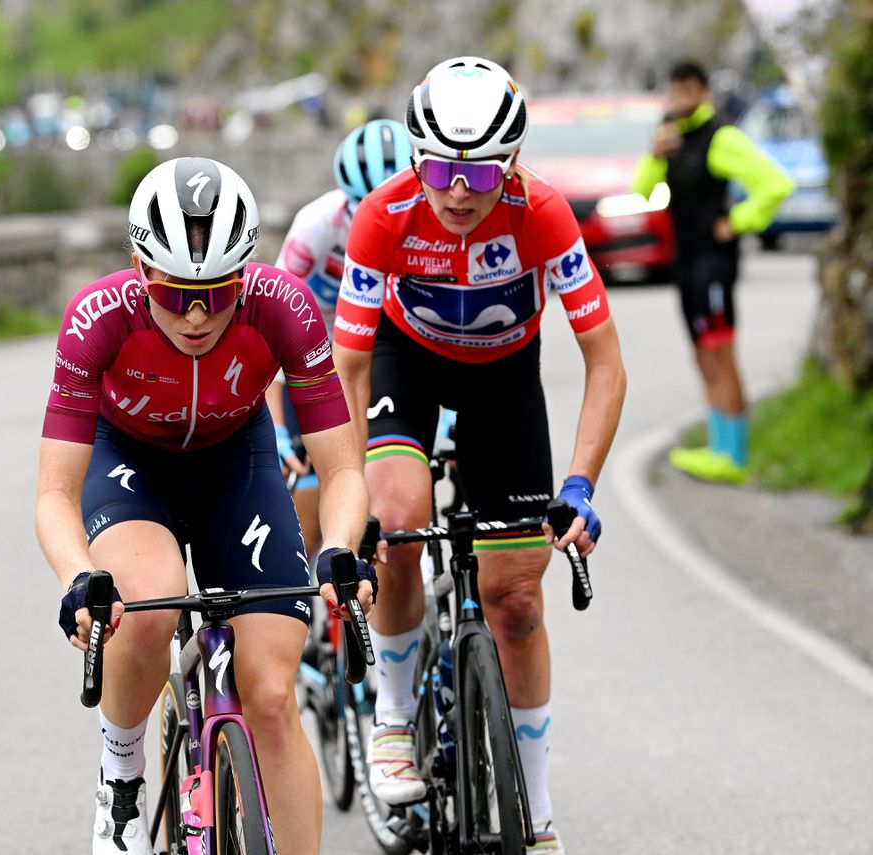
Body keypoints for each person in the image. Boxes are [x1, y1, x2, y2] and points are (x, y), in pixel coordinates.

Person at [35, 156, 377, 854]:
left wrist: (339, 545)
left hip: (235, 461)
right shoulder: (96, 318)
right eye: (173, 292)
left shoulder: (284, 305)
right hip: (129, 461)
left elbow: (342, 466)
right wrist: (78, 576)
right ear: (138, 266)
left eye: (218, 294)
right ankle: (123, 769)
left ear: (246, 273)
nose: (195, 314)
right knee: (148, 602)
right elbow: (54, 493)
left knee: (274, 698)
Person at [331, 56, 628, 854]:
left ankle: (535, 808)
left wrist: (580, 484)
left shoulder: (544, 215)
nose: (459, 190)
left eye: (483, 171)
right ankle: (393, 716)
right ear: (415, 159)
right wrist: (346, 499)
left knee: (518, 601)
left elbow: (606, 361)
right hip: (408, 360)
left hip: (504, 378)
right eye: (438, 167)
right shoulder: (385, 218)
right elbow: (347, 369)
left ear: (515, 163)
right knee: (396, 518)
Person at [633, 60, 794, 483]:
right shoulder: (669, 139)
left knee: (722, 354)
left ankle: (734, 454)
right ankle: (716, 446)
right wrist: (654, 156)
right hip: (684, 263)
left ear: (703, 93)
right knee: (701, 353)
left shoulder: (721, 137)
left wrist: (738, 222)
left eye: (688, 91)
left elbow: (776, 183)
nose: (680, 99)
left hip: (715, 264)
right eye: (674, 91)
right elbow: (641, 192)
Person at [269, 118, 414, 556]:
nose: (374, 219)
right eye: (362, 207)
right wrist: (277, 428)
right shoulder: (315, 225)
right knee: (314, 514)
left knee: (385, 493)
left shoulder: (422, 228)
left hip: (378, 350)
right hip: (312, 352)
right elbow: (270, 329)